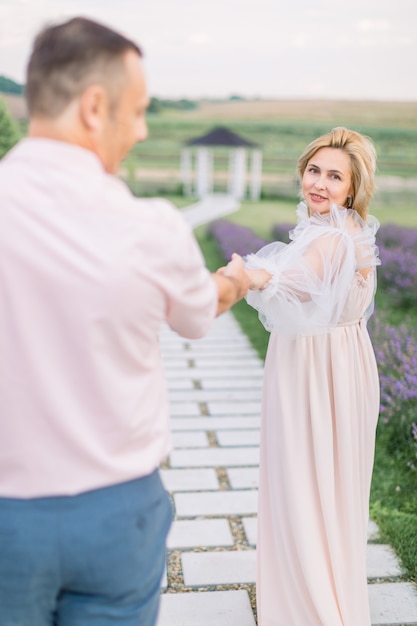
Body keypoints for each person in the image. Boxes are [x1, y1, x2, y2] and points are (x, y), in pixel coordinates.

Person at [0, 16, 249, 626]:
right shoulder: (153, 226)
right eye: (136, 112)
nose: (139, 131)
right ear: (93, 107)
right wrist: (237, 282)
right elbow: (197, 313)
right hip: (116, 516)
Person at [245, 127, 380, 626]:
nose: (319, 183)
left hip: (315, 370)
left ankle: (311, 609)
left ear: (352, 187)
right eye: (313, 170)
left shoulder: (329, 237)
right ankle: (331, 596)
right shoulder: (353, 230)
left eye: (334, 176)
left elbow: (294, 282)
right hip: (343, 360)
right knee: (332, 489)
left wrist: (248, 275)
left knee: (304, 482)